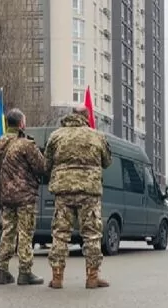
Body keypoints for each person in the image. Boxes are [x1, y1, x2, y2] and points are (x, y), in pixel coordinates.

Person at [44, 107, 112, 289]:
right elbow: (107, 161)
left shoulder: (56, 136)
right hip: (88, 191)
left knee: (60, 234)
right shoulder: (97, 136)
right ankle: (92, 277)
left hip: (63, 191)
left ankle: (57, 277)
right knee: (91, 235)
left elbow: (47, 163)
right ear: (86, 117)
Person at [0, 108, 45, 286]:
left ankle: (2, 271)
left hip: (6, 198)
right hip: (25, 196)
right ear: (21, 124)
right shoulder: (26, 145)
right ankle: (25, 272)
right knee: (25, 233)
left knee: (7, 232)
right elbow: (42, 167)